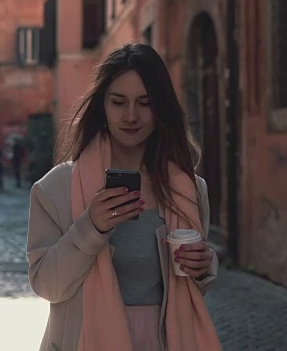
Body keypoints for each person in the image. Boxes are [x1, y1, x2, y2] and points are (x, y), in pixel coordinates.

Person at [27, 43, 221, 351]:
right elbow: (47, 285)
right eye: (118, 102)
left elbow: (189, 288)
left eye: (145, 102)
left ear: (161, 109)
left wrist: (203, 266)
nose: (131, 115)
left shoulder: (190, 190)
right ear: (102, 106)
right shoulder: (56, 188)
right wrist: (90, 227)